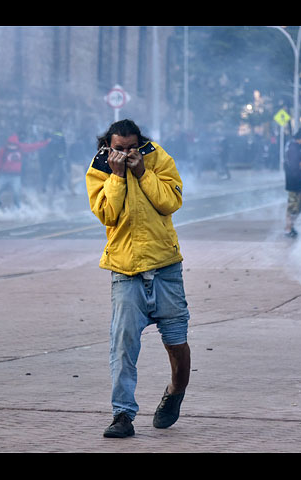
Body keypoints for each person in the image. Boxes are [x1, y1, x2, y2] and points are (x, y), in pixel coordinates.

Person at [86, 119, 191, 438]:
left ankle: (174, 393)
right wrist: (118, 177)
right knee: (123, 345)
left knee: (176, 343)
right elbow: (106, 214)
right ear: (109, 146)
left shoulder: (158, 157)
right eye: (119, 149)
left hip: (165, 267)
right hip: (126, 269)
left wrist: (143, 171)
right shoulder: (100, 167)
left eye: (132, 148)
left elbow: (170, 202)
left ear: (140, 144)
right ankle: (122, 415)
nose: (126, 154)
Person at [0, 133, 50, 210]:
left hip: (15, 176)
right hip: (4, 175)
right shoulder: (3, 151)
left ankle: (18, 209)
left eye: (13, 145)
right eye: (10, 144)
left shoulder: (21, 147)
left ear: (17, 144)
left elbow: (33, 146)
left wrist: (45, 142)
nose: (11, 146)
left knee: (16, 194)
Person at [284, 127, 301, 238]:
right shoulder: (293, 149)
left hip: (297, 183)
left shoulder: (295, 148)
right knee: (293, 207)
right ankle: (289, 229)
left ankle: (294, 227)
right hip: (294, 183)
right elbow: (295, 168)